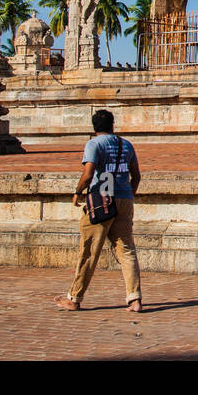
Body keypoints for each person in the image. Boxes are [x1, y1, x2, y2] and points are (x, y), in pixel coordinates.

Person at [53, 109, 142, 312]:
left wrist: (77, 192)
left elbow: (88, 173)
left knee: (89, 251)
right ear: (112, 125)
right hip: (124, 198)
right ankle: (135, 299)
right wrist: (129, 194)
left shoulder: (94, 144)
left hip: (101, 198)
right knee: (127, 250)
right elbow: (136, 175)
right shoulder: (126, 144)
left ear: (94, 127)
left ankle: (74, 298)